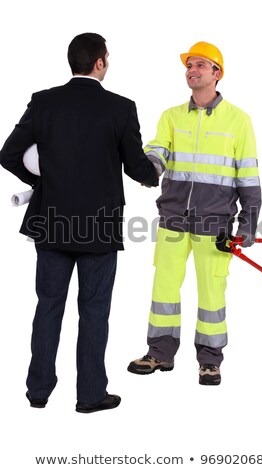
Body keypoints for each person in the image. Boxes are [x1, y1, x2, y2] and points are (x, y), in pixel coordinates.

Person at [0, 32, 158, 412]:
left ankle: (38, 392)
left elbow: (8, 155)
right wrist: (154, 173)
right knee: (94, 311)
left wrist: (43, 181)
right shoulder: (120, 108)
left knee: (48, 306)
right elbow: (137, 165)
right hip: (98, 228)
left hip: (50, 221)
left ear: (73, 62)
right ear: (100, 62)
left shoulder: (44, 102)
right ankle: (89, 396)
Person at [128, 41, 261, 385]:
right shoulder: (171, 116)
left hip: (214, 224)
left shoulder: (239, 120)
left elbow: (248, 177)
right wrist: (147, 169)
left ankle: (210, 360)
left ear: (217, 73)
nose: (192, 70)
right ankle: (159, 353)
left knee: (211, 295)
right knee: (164, 289)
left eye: (201, 64)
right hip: (173, 218)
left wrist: (248, 222)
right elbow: (158, 151)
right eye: (189, 65)